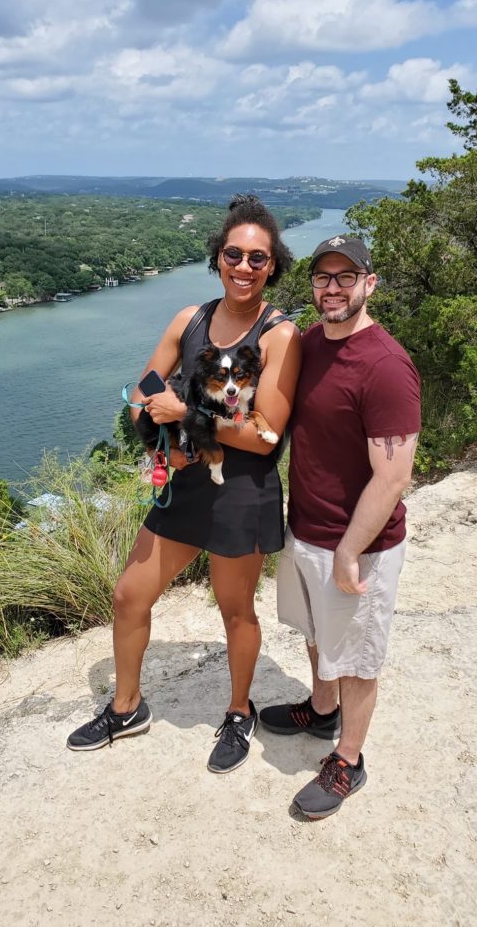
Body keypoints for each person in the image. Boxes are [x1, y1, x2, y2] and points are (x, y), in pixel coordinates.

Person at [67, 195, 301, 773]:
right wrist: (160, 436)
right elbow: (141, 395)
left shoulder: (280, 336)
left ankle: (239, 710)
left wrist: (188, 418)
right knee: (129, 594)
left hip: (243, 488)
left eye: (257, 258)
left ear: (273, 266)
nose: (243, 267)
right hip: (187, 479)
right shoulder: (188, 321)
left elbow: (266, 435)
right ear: (217, 257)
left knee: (234, 610)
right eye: (233, 254)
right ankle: (126, 706)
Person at [260, 234, 421, 819]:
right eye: (323, 278)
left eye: (345, 277)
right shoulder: (310, 345)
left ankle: (349, 759)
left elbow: (393, 475)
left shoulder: (385, 366)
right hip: (305, 528)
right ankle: (321, 709)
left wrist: (351, 550)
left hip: (359, 545)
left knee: (356, 655)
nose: (332, 288)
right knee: (315, 631)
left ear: (369, 283)